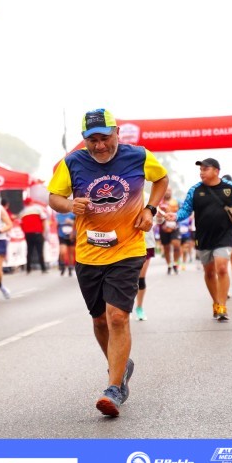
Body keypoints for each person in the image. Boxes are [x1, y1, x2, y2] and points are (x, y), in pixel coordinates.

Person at [48, 108, 168, 417]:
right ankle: (121, 366)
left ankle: (114, 388)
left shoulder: (138, 156)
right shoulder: (72, 162)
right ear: (84, 139)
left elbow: (161, 179)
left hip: (128, 249)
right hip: (89, 252)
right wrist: (69, 204)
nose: (100, 146)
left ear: (117, 133)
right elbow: (54, 197)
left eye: (105, 138)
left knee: (117, 317)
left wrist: (150, 209)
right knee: (100, 320)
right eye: (93, 140)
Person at [170, 158, 232, 322]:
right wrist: (175, 216)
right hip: (203, 235)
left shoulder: (229, 187)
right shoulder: (195, 190)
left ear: (216, 171)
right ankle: (216, 302)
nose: (201, 172)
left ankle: (222, 306)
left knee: (222, 268)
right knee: (209, 272)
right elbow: (185, 210)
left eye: (205, 169)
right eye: (201, 170)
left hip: (224, 234)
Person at [20, 197, 48, 273]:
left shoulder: (22, 212)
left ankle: (28, 269)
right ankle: (43, 268)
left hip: (28, 234)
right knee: (40, 251)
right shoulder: (38, 209)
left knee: (29, 251)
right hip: (38, 233)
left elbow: (21, 224)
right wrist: (43, 231)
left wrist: (25, 231)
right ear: (31, 202)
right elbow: (44, 220)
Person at [134, 227, 156, 321]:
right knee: (125, 279)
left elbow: (159, 220)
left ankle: (139, 308)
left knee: (140, 279)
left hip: (146, 242)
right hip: (125, 243)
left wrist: (160, 219)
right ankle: (125, 307)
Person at [158, 190, 181, 274]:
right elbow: (157, 215)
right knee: (166, 247)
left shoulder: (176, 201)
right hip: (163, 227)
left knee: (176, 245)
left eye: (169, 190)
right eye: (166, 190)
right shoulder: (159, 202)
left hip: (175, 226)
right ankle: (169, 265)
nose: (168, 192)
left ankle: (175, 263)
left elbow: (181, 212)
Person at [56, 209, 76, 276]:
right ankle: (62, 265)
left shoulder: (72, 215)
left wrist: (71, 222)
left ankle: (70, 268)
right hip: (62, 236)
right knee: (62, 252)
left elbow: (77, 224)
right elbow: (56, 225)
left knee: (71, 253)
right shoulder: (58, 216)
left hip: (71, 236)